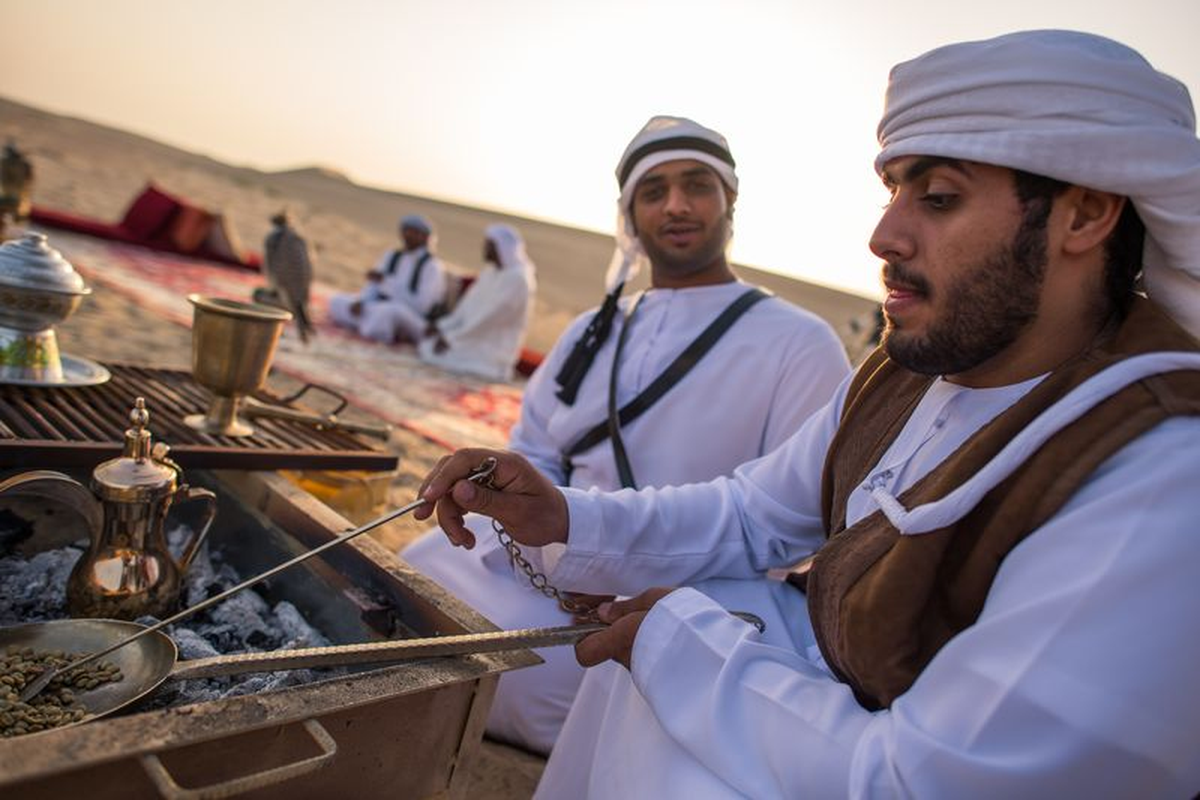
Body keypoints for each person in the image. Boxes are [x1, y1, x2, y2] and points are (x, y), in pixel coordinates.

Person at [417, 31, 1200, 797]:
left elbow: (932, 779)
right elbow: (753, 513)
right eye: (893, 192)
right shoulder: (902, 376)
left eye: (938, 198)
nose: (883, 235)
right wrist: (563, 516)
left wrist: (685, 651)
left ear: (1086, 215)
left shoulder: (1158, 478)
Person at [402, 115, 850, 755]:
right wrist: (556, 554)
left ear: (729, 203)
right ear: (630, 216)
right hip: (542, 570)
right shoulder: (593, 327)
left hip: (665, 595)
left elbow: (790, 528)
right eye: (653, 190)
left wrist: (623, 571)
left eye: (697, 185)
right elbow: (535, 449)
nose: (675, 204)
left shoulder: (799, 343)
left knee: (561, 679)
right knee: (417, 572)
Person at [417, 223, 537, 381]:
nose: (484, 248)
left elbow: (488, 320)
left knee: (434, 352)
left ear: (501, 248)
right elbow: (466, 308)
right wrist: (441, 326)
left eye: (489, 245)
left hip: (493, 348)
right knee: (428, 346)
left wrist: (452, 338)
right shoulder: (490, 272)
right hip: (470, 337)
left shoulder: (518, 279)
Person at [328, 213, 446, 343]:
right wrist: (362, 301)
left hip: (411, 316)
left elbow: (421, 307)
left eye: (413, 232)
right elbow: (373, 286)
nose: (407, 235)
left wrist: (387, 282)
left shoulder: (432, 266)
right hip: (379, 306)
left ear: (424, 237)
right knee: (338, 301)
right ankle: (367, 322)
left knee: (388, 312)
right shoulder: (391, 255)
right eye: (405, 231)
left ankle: (369, 325)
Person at [256, 210, 316, 343]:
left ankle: (277, 328)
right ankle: (302, 326)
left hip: (286, 289)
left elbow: (271, 271)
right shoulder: (299, 238)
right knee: (299, 307)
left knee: (258, 296)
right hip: (300, 290)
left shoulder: (275, 239)